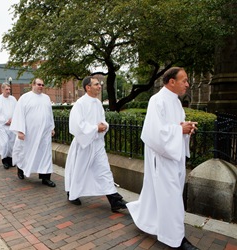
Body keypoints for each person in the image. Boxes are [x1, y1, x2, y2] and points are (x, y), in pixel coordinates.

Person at [126, 67, 199, 250]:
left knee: (164, 195)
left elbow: (173, 126)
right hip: (163, 158)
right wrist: (178, 130)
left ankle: (145, 219)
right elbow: (153, 133)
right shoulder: (156, 100)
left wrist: (186, 128)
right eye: (184, 80)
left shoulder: (175, 102)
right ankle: (176, 239)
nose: (187, 84)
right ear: (172, 81)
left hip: (175, 157)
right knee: (171, 197)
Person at [64, 76, 127, 211]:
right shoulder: (80, 104)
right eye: (96, 84)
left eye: (99, 84)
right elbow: (76, 126)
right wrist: (95, 128)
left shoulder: (98, 103)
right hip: (84, 144)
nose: (99, 86)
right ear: (88, 87)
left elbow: (102, 120)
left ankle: (114, 200)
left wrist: (104, 126)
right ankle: (72, 193)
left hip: (97, 144)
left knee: (104, 170)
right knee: (79, 171)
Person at [10, 78, 56, 187]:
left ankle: (45, 178)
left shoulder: (46, 98)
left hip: (44, 134)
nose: (41, 86)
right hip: (29, 133)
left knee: (45, 155)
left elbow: (49, 114)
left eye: (42, 85)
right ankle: (20, 169)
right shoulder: (25, 98)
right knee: (25, 153)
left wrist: (51, 128)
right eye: (39, 84)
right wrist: (20, 131)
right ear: (33, 85)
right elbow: (18, 114)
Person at [0, 82, 17, 169]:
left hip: (12, 125)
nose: (8, 91)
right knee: (5, 143)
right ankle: (4, 160)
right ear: (2, 89)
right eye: (6, 89)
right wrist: (5, 121)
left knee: (11, 143)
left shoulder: (13, 99)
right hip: (2, 126)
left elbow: (17, 110)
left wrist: (13, 120)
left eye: (9, 89)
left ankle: (10, 160)